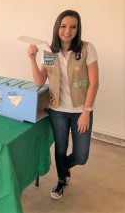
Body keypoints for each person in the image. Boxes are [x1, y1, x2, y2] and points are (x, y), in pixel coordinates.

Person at [27, 10, 99, 200]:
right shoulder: (50, 52)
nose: (68, 31)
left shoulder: (86, 49)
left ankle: (62, 166)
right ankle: (61, 180)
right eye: (64, 26)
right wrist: (32, 60)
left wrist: (86, 111)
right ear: (57, 27)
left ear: (78, 29)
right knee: (60, 148)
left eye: (73, 26)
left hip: (81, 111)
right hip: (57, 110)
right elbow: (40, 81)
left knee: (81, 156)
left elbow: (94, 83)